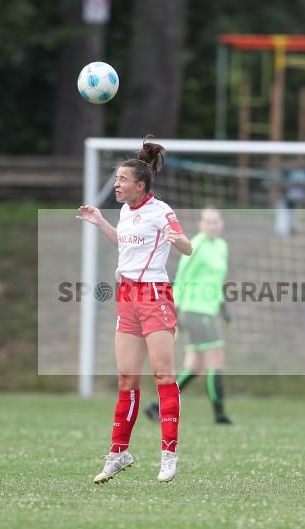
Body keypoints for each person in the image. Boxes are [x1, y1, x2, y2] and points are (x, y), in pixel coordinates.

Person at [76, 139, 193, 484]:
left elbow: (187, 246)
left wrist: (179, 242)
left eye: (123, 179)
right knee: (126, 379)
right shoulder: (126, 212)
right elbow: (125, 244)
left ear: (140, 185)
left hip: (155, 296)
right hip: (126, 297)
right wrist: (99, 222)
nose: (117, 184)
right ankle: (118, 453)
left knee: (163, 376)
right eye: (116, 179)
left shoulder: (162, 211)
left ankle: (168, 454)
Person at [144, 207, 234, 425]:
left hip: (209, 310)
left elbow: (214, 281)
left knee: (194, 366)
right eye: (208, 222)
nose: (212, 225)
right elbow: (181, 279)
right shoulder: (197, 245)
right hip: (195, 311)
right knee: (216, 361)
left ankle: (156, 406)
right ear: (201, 224)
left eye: (216, 221)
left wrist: (222, 307)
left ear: (221, 223)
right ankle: (220, 415)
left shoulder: (222, 246)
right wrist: (172, 311)